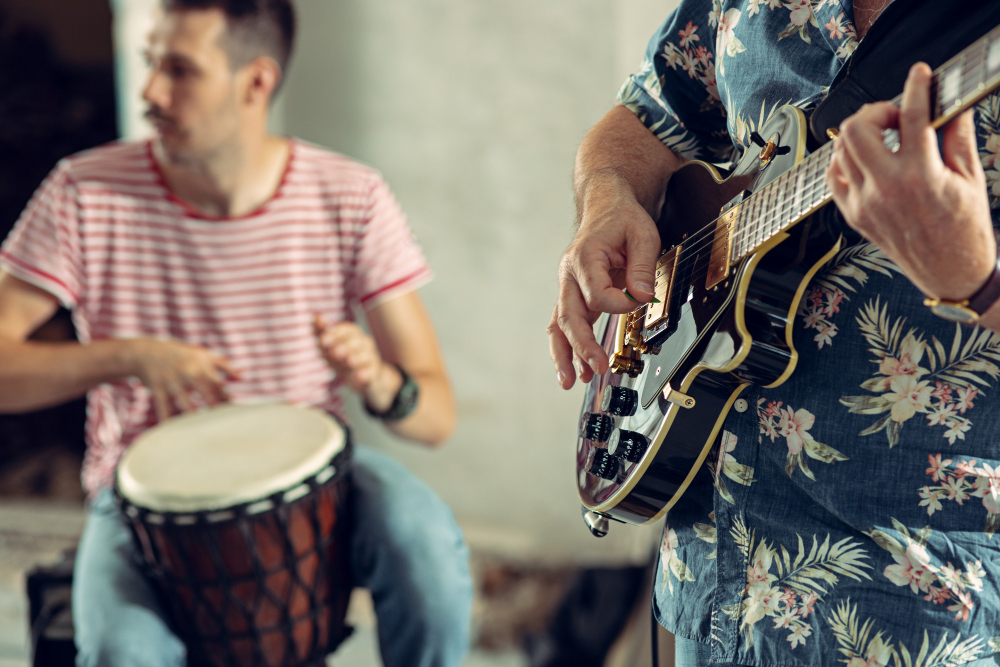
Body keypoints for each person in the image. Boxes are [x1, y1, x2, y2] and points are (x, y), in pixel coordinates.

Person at [0, 1, 472, 665]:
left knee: (421, 538)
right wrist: (129, 357)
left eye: (179, 70)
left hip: (314, 483)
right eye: (149, 63)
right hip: (137, 497)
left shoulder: (350, 195)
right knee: (118, 650)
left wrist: (379, 381)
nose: (150, 92)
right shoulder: (83, 191)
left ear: (256, 82)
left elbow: (437, 416)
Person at [550, 1, 1000, 666]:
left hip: (908, 613)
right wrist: (607, 196)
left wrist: (976, 280)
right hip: (706, 581)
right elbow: (646, 118)